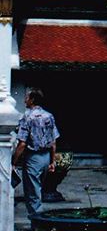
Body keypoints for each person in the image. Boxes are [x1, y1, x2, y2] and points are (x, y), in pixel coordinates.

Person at [11, 87, 60, 221]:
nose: (24, 100)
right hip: (45, 157)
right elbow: (53, 141)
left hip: (33, 158)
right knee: (37, 191)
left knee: (33, 195)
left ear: (32, 100)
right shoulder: (49, 115)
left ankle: (38, 224)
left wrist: (13, 162)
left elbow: (22, 143)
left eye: (27, 97)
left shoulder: (27, 117)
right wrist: (52, 161)